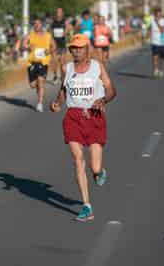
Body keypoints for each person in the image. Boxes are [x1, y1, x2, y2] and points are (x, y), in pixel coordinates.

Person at [50, 34, 116, 222]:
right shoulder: (67, 68)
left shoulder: (97, 67)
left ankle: (99, 172)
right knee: (78, 159)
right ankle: (87, 206)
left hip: (94, 116)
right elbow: (63, 90)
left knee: (94, 167)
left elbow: (112, 89)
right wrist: (57, 103)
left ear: (87, 49)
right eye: (73, 48)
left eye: (80, 48)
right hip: (73, 117)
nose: (76, 51)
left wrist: (103, 99)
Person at [22, 17, 56, 112]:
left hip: (43, 62)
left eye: (38, 24)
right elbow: (23, 45)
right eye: (35, 24)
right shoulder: (29, 35)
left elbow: (54, 46)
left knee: (41, 81)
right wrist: (27, 47)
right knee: (33, 85)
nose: (37, 26)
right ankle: (38, 88)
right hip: (31, 63)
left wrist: (49, 50)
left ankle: (40, 103)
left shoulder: (48, 35)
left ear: (42, 25)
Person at [147, 8, 164, 78]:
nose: (158, 16)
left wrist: (157, 22)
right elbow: (149, 29)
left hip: (163, 42)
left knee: (163, 58)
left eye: (159, 14)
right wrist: (148, 37)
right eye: (156, 15)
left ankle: (162, 70)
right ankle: (156, 70)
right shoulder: (151, 21)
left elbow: (162, 30)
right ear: (155, 14)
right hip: (155, 42)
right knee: (155, 57)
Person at [51, 8, 69, 85]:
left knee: (62, 62)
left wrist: (65, 32)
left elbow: (68, 29)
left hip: (62, 43)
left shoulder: (65, 21)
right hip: (54, 44)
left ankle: (62, 77)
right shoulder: (53, 22)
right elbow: (50, 32)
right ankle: (55, 76)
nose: (58, 13)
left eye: (60, 12)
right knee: (54, 61)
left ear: (62, 13)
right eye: (57, 12)